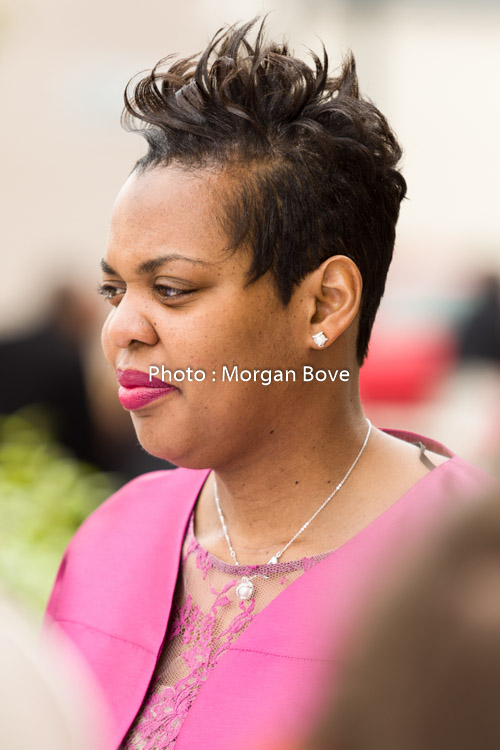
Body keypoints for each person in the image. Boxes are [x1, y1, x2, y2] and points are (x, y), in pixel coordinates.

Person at [43, 17, 489, 750]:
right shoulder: (113, 540)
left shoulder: (467, 567)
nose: (122, 329)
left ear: (323, 304)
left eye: (173, 290)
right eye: (114, 290)